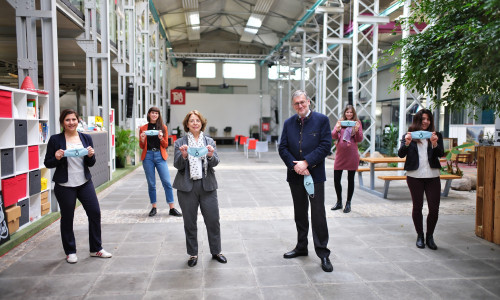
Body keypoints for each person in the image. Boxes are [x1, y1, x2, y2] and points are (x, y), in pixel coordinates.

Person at [44, 109, 112, 264]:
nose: (71, 123)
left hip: (84, 182)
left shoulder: (86, 138)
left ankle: (96, 249)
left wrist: (91, 156)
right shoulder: (56, 140)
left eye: (73, 119)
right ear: (63, 122)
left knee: (95, 213)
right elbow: (48, 163)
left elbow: (91, 162)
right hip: (65, 184)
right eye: (67, 120)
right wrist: (56, 157)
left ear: (78, 121)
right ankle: (70, 251)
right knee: (67, 218)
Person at [278, 90, 333, 272]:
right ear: (293, 106)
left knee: (318, 215)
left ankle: (323, 253)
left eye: (302, 102)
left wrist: (307, 162)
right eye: (296, 104)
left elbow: (325, 146)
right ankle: (301, 247)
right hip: (295, 176)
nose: (300, 106)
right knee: (300, 213)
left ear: (308, 102)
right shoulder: (288, 123)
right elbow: (283, 147)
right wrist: (296, 166)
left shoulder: (322, 120)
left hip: (314, 176)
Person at [173, 110, 227, 267]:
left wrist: (210, 155)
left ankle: (216, 251)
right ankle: (193, 254)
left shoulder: (209, 141)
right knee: (189, 222)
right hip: (186, 187)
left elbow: (215, 162)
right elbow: (177, 165)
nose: (195, 123)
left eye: (197, 120)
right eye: (192, 121)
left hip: (207, 185)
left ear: (202, 123)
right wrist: (183, 156)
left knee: (213, 220)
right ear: (187, 125)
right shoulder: (180, 142)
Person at [398, 109, 444, 250]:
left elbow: (441, 154)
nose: (426, 122)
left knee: (434, 209)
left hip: (432, 176)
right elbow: (401, 155)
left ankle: (430, 236)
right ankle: (420, 235)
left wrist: (435, 143)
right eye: (423, 119)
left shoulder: (436, 135)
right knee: (417, 207)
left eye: (428, 119)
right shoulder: (409, 135)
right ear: (417, 120)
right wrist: (406, 143)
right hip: (414, 176)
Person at [139, 107, 182, 217]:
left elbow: (166, 145)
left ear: (159, 115)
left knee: (167, 182)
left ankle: (172, 208)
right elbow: (141, 146)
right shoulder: (143, 128)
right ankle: (154, 207)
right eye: (152, 113)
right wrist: (143, 139)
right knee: (151, 183)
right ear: (149, 114)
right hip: (148, 156)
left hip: (160, 155)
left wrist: (161, 138)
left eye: (156, 113)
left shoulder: (163, 127)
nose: (154, 115)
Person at [331, 105, 363, 213]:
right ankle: (339, 202)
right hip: (340, 154)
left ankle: (348, 203)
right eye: (347, 112)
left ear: (353, 114)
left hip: (352, 154)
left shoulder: (357, 123)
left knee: (350, 179)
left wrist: (357, 130)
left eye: (350, 112)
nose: (349, 114)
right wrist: (338, 128)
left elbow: (359, 139)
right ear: (344, 113)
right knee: (336, 179)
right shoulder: (340, 122)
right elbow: (333, 136)